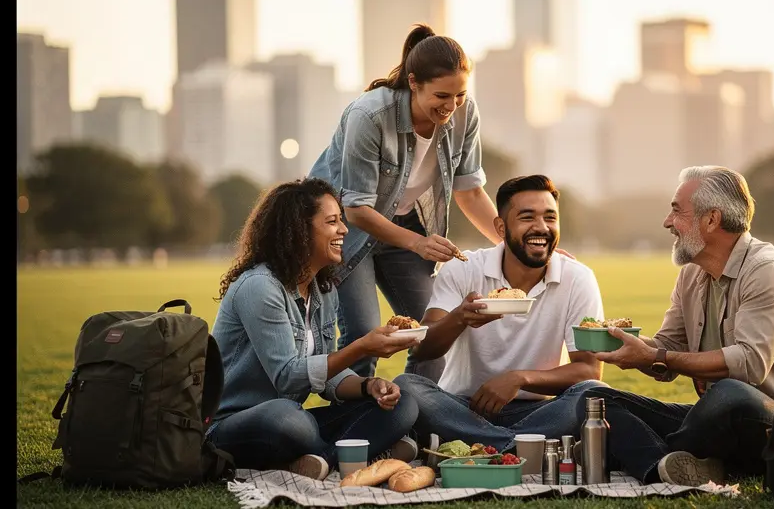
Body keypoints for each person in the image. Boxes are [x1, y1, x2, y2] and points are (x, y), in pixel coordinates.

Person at [579, 165, 774, 486]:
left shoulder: (769, 272)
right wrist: (625, 347)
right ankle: (668, 466)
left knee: (728, 392)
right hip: (713, 419)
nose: (667, 222)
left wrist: (656, 357)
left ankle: (649, 452)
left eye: (677, 212)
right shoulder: (692, 273)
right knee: (595, 400)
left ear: (711, 219)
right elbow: (668, 351)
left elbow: (748, 367)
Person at [308, 24, 503, 383]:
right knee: (364, 335)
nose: (451, 106)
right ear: (413, 83)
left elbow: (470, 191)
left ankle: (415, 413)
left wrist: (510, 246)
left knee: (437, 333)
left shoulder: (464, 114)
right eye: (442, 96)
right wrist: (419, 243)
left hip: (407, 227)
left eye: (459, 95)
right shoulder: (368, 116)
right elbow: (355, 208)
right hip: (346, 234)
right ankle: (352, 428)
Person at [208, 178, 421, 481]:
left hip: (293, 421)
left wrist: (367, 386)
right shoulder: (260, 287)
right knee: (289, 418)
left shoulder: (323, 290)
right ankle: (355, 455)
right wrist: (361, 347)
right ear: (298, 230)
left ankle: (318, 460)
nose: (344, 230)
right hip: (237, 423)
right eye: (332, 222)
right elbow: (288, 379)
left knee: (403, 406)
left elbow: (328, 373)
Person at [398, 175, 606, 452]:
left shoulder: (578, 278)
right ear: (500, 226)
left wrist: (520, 378)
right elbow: (422, 349)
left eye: (550, 218)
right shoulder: (464, 268)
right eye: (527, 217)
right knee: (407, 386)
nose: (541, 228)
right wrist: (460, 318)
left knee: (592, 392)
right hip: (465, 408)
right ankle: (523, 445)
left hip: (539, 410)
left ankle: (477, 444)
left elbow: (589, 369)